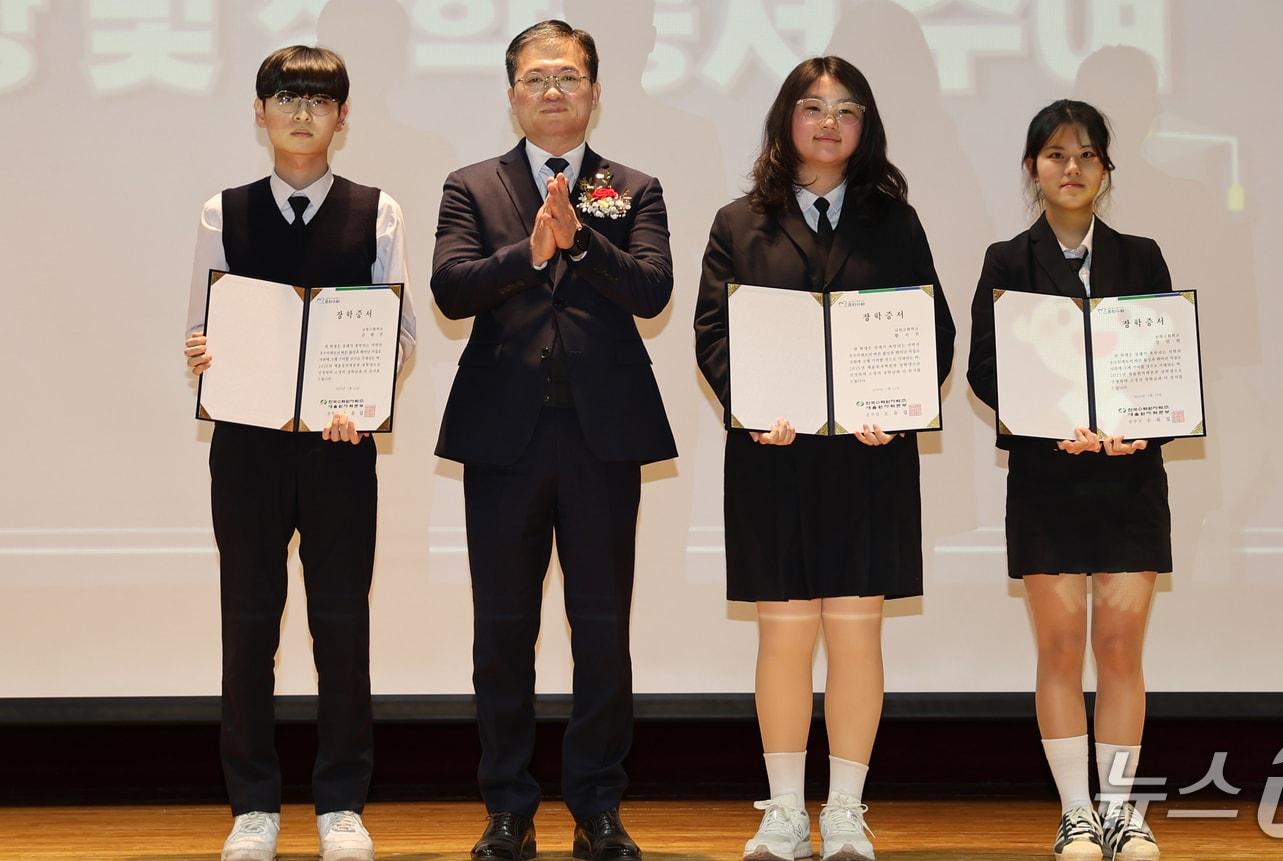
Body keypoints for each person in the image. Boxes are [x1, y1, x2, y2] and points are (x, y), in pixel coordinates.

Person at [694, 57, 955, 861]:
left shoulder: (894, 222)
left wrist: (897, 405)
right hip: (774, 457)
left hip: (866, 461)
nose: (829, 122)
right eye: (813, 107)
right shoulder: (739, 222)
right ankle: (781, 809)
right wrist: (753, 404)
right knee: (782, 635)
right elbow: (713, 335)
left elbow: (930, 331)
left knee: (854, 636)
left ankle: (844, 808)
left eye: (847, 110)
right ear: (786, 120)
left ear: (865, 127)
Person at [430, 19, 675, 861]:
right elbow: (451, 289)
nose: (553, 92)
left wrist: (583, 242)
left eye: (568, 77)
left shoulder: (633, 186)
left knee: (601, 630)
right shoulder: (472, 185)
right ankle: (507, 807)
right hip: (505, 441)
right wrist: (528, 253)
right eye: (535, 79)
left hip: (602, 439)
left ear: (596, 92)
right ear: (511, 96)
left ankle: (598, 808)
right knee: (502, 631)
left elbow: (652, 289)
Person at [183, 45, 417, 861]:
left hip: (339, 449)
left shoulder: (376, 210)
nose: (302, 113)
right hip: (245, 450)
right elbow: (204, 328)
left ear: (343, 117)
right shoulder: (224, 210)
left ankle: (341, 802)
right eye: (286, 97)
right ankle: (253, 803)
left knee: (340, 624)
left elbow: (401, 333)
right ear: (259, 112)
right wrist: (203, 355)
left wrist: (364, 398)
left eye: (320, 100)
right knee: (248, 624)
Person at [966, 99, 1169, 861]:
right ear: (1033, 168)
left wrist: (1138, 423)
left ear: (1106, 169)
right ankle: (1077, 812)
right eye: (1055, 155)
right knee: (1059, 647)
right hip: (1048, 477)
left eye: (1087, 155)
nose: (1072, 169)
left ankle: (1122, 809)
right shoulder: (1006, 261)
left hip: (1130, 478)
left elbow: (1162, 364)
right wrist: (1051, 420)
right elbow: (986, 368)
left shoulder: (1142, 256)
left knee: (1119, 649)